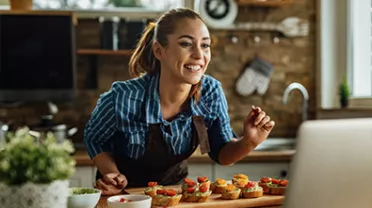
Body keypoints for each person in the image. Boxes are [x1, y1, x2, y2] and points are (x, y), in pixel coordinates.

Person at [84, 7, 275, 196]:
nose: (199, 55)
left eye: (205, 45)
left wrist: (248, 142)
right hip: (122, 196)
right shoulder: (123, 97)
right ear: (159, 50)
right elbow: (95, 138)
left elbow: (221, 153)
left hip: (174, 195)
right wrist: (112, 173)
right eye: (186, 44)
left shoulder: (210, 93)